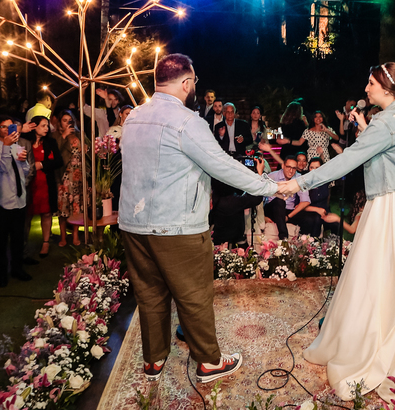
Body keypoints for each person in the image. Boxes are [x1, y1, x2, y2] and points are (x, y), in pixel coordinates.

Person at [283, 62, 395, 408]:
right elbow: (388, 150)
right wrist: (366, 126)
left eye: (370, 84)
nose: (365, 90)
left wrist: (300, 181)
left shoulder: (389, 122)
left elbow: (349, 159)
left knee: (385, 282)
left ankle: (384, 352)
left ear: (385, 87)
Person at [118, 53, 278, 384]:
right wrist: (270, 186)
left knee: (150, 295)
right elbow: (224, 165)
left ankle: (154, 359)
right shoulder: (187, 122)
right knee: (194, 295)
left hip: (133, 225)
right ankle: (209, 362)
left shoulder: (133, 117)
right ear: (187, 83)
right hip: (176, 226)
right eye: (194, 83)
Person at [0, 116, 35, 286]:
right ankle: (1, 273)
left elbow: (25, 171)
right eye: (3, 126)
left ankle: (17, 268)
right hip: (2, 202)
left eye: (10, 126)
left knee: (18, 239)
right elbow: (2, 168)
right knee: (0, 241)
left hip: (19, 200)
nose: (7, 129)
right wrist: (6, 147)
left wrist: (23, 161)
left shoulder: (18, 146)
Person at [23, 116, 62, 258]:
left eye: (47, 125)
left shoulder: (50, 142)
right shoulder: (24, 142)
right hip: (29, 183)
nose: (47, 128)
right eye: (43, 125)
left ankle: (46, 242)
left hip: (45, 182)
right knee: (27, 214)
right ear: (34, 127)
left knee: (46, 213)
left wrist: (42, 164)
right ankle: (23, 245)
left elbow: (58, 161)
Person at [265, 156, 320, 239]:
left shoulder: (299, 178)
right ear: (283, 166)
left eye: (294, 168)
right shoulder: (272, 177)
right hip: (272, 208)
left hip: (288, 210)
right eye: (288, 167)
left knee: (314, 217)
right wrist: (263, 217)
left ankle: (307, 245)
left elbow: (306, 201)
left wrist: (289, 216)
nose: (291, 171)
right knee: (280, 201)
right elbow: (260, 198)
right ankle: (284, 239)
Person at [57, 132, 86, 248]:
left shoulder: (81, 135)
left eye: (70, 120)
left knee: (76, 208)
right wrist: (63, 136)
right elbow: (56, 154)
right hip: (65, 177)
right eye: (64, 120)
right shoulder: (58, 137)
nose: (68, 123)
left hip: (78, 177)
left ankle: (75, 235)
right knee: (63, 208)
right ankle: (63, 236)